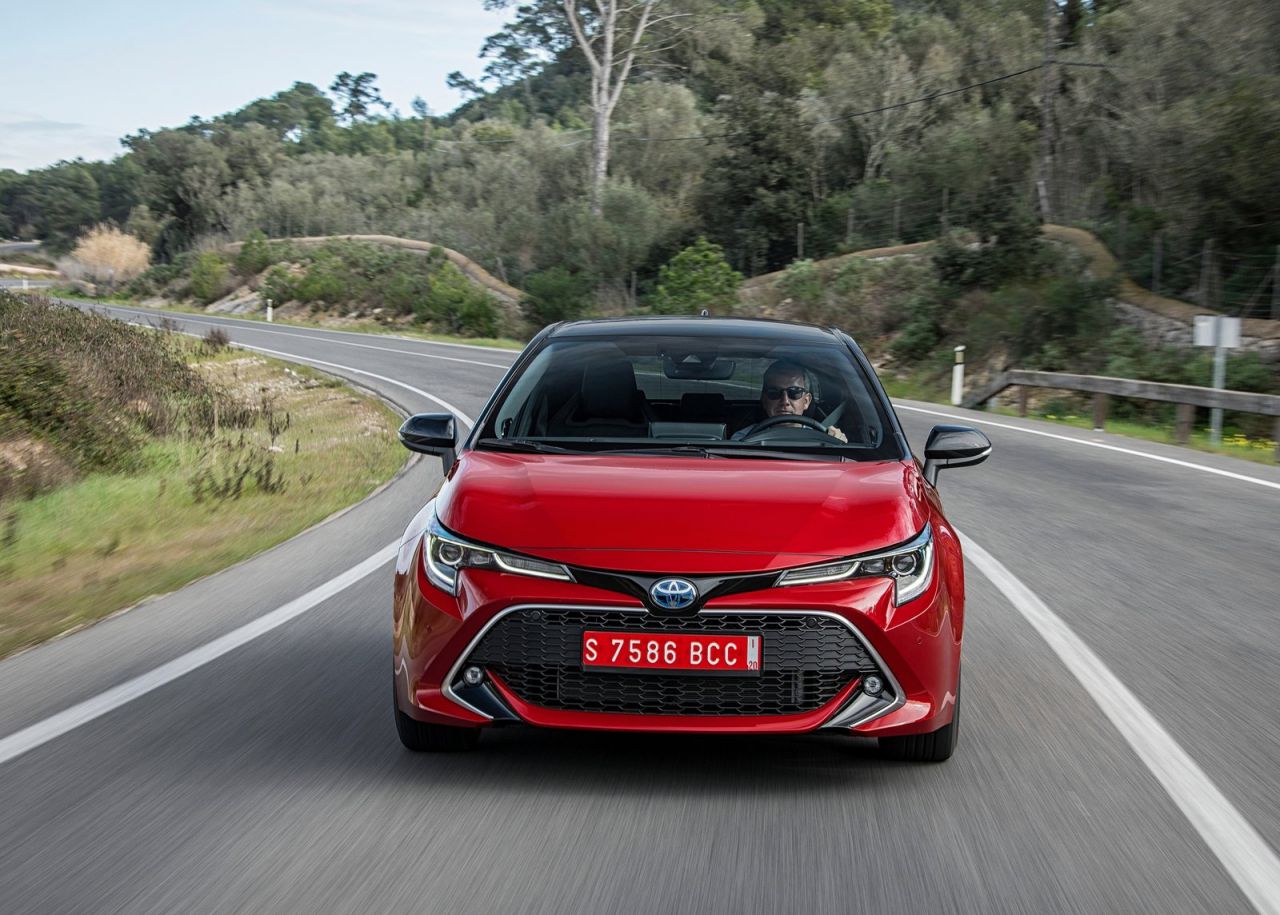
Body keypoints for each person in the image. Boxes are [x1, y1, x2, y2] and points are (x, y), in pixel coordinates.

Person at [732, 359, 847, 442]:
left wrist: (839, 444)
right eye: (774, 393)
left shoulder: (825, 440)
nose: (785, 401)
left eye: (794, 392)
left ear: (806, 401)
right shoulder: (742, 439)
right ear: (765, 400)